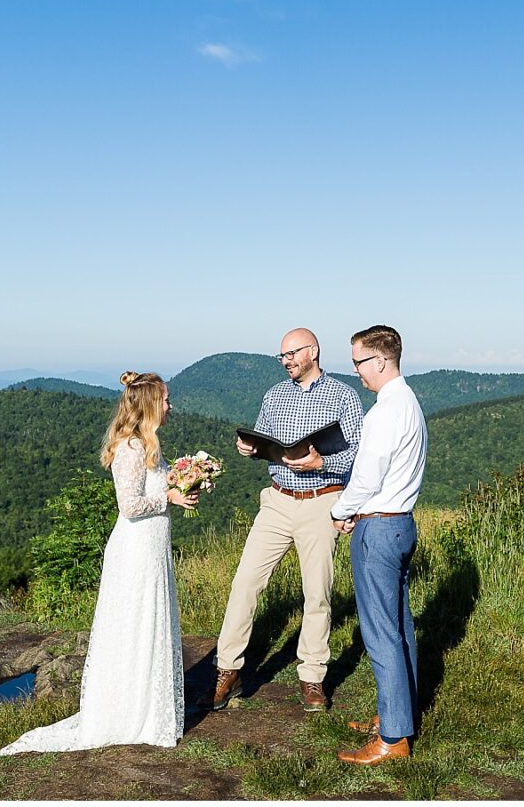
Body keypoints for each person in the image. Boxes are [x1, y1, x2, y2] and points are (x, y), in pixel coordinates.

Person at [0, 371, 199, 755]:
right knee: (135, 624)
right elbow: (130, 506)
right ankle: (127, 711)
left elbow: (156, 486)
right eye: (166, 399)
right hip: (135, 550)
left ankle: (150, 709)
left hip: (153, 549)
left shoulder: (148, 446)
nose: (171, 406)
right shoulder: (130, 449)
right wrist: (168, 498)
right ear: (151, 405)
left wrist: (188, 481)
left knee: (150, 623)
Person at [197, 327, 364, 713]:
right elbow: (264, 439)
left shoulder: (343, 396)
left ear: (313, 352)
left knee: (317, 593)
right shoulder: (274, 395)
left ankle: (312, 677)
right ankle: (227, 671)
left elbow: (358, 452)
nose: (286, 361)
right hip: (276, 500)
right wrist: (249, 447)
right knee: (244, 584)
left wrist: (322, 462)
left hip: (322, 501)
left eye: (292, 354)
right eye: (282, 356)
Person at [330, 325, 427, 765]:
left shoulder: (384, 412)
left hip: (379, 529)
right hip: (402, 523)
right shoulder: (409, 404)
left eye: (359, 363)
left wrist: (340, 511)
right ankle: (397, 717)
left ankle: (392, 739)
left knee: (381, 633)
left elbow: (367, 478)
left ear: (382, 361)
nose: (356, 372)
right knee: (401, 629)